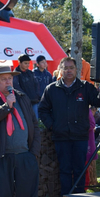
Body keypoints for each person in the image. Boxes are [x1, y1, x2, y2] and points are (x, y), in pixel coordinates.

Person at [38, 57, 100, 195]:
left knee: (79, 169)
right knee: (65, 170)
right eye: (65, 68)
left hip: (80, 137)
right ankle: (66, 194)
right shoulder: (52, 89)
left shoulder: (85, 87)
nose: (69, 71)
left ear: (76, 69)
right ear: (61, 70)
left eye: (71, 67)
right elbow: (43, 110)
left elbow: (97, 101)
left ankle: (79, 195)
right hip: (61, 136)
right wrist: (52, 126)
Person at [0, 66, 40, 197]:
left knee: (27, 193)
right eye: (3, 79)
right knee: (0, 193)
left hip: (25, 155)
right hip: (1, 157)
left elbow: (34, 124)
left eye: (10, 78)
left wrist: (33, 152)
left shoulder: (22, 97)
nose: (8, 82)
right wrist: (6, 106)